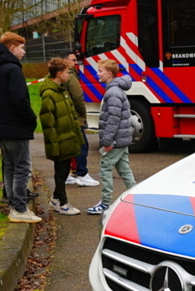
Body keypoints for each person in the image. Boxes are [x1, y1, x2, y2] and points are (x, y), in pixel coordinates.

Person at [0, 32, 41, 224]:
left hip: (2, 125)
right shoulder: (13, 70)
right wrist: (31, 119)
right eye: (21, 48)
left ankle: (13, 204)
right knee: (22, 168)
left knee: (9, 167)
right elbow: (20, 99)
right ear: (12, 48)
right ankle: (19, 208)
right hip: (15, 126)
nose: (24, 52)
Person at [87, 59, 135, 215]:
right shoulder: (116, 90)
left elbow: (113, 119)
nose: (97, 74)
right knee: (124, 170)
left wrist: (107, 141)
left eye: (100, 71)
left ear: (109, 73)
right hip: (122, 138)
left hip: (115, 140)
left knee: (105, 167)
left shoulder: (112, 92)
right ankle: (136, 197)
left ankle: (106, 202)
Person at [40, 58, 86, 215]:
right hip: (60, 141)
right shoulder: (49, 94)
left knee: (65, 170)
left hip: (69, 138)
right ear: (59, 74)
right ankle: (62, 203)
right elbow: (48, 123)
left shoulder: (63, 90)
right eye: (66, 72)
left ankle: (56, 199)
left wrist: (77, 136)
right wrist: (54, 146)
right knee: (60, 172)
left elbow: (72, 115)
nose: (68, 75)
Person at [63, 52, 98, 188]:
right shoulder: (71, 76)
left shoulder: (56, 76)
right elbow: (78, 97)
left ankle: (66, 174)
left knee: (68, 147)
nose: (76, 62)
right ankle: (82, 174)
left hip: (65, 117)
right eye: (73, 60)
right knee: (82, 146)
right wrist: (83, 114)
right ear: (65, 61)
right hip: (75, 118)